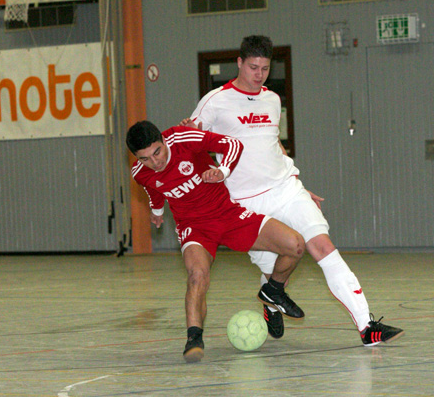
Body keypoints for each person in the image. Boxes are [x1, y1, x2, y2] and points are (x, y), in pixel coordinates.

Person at [184, 34, 404, 346]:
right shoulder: (214, 101)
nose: (258, 74)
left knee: (323, 247)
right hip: (246, 203)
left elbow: (273, 145)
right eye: (252, 67)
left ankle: (368, 328)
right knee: (276, 267)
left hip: (286, 190)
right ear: (239, 63)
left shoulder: (272, 100)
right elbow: (187, 145)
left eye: (264, 68)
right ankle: (270, 298)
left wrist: (298, 184)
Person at [126, 120, 306, 363]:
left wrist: (223, 171)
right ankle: (194, 339)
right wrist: (156, 211)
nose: (155, 162)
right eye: (145, 158)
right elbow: (154, 190)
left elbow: (233, 144)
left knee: (295, 244)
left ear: (163, 140)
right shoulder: (140, 173)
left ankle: (273, 290)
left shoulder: (183, 138)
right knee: (197, 275)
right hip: (195, 229)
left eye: (157, 151)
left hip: (228, 215)